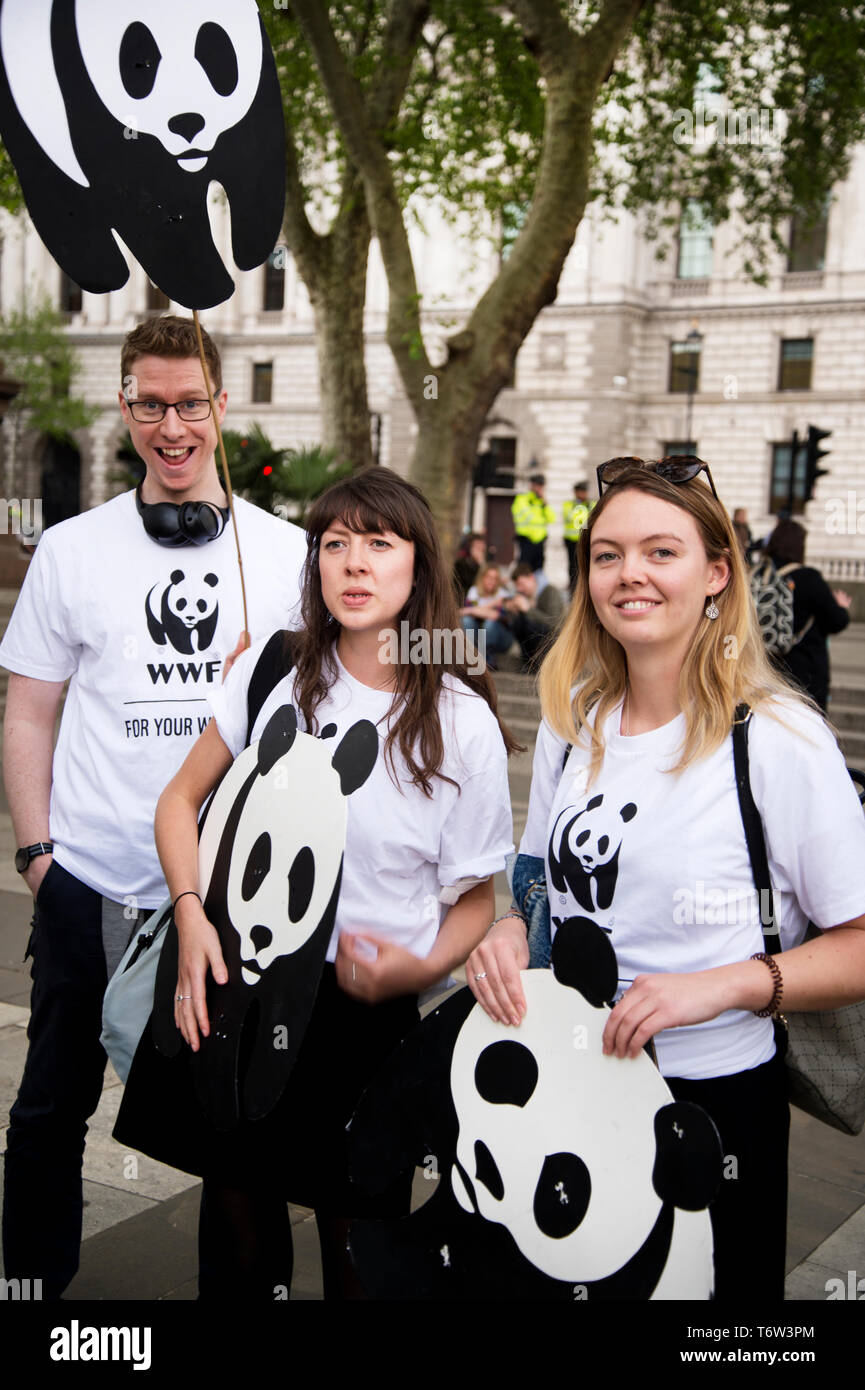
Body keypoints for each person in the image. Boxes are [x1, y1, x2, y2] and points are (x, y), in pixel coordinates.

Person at [467, 456, 865, 1301]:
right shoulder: (572, 720)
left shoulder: (781, 740)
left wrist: (717, 987)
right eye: (606, 555)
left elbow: (859, 946)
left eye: (659, 551)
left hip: (712, 1106)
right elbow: (538, 876)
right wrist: (507, 930)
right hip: (569, 1082)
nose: (628, 575)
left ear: (716, 573)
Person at [119, 466, 516, 1300]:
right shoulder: (274, 668)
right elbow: (179, 801)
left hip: (361, 1017)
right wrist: (191, 919)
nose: (353, 562)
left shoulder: (458, 719)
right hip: (241, 985)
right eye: (334, 543)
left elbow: (477, 897)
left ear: (418, 566)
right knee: (239, 1245)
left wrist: (414, 970)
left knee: (359, 1253)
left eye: (379, 542)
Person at [0, 314, 307, 1300]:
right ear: (124, 406)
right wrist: (40, 853)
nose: (171, 428)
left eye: (189, 404)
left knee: (238, 1124)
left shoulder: (290, 558)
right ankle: (33, 1290)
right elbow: (30, 709)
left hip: (228, 897)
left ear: (222, 406)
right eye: (150, 405)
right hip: (88, 879)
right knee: (50, 1108)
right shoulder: (71, 550)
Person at [764, 518, 852, 711]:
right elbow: (836, 621)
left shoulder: (760, 576)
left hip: (765, 668)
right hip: (805, 672)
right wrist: (842, 607)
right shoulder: (808, 578)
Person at [501, 562, 565, 669]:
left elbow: (555, 624)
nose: (520, 589)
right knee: (518, 622)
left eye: (521, 584)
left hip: (554, 643)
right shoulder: (524, 595)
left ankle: (538, 664)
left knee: (529, 623)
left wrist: (528, 610)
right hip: (535, 647)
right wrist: (511, 610)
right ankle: (528, 663)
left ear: (531, 577)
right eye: (517, 586)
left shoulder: (550, 591)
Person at [460, 562, 515, 668]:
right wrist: (493, 604)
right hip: (478, 637)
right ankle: (470, 656)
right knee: (467, 620)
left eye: (495, 578)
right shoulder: (474, 592)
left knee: (490, 622)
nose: (492, 581)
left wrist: (471, 610)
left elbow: (495, 616)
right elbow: (464, 613)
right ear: (482, 578)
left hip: (502, 638)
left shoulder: (502, 594)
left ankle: (486, 658)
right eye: (489, 577)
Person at [511, 473, 556, 572]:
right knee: (524, 568)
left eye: (541, 485)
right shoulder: (522, 499)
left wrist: (545, 504)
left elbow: (552, 518)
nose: (539, 488)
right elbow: (526, 517)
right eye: (538, 485)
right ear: (532, 485)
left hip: (540, 541)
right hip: (527, 539)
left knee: (538, 569)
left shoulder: (542, 502)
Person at [563, 481, 593, 593]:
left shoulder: (591, 504)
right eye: (581, 492)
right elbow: (576, 519)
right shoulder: (569, 505)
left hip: (585, 540)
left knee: (585, 565)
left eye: (585, 491)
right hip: (571, 541)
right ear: (576, 493)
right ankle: (573, 589)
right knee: (573, 566)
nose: (584, 494)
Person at [452, 531, 487, 606]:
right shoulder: (461, 563)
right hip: (464, 601)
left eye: (481, 548)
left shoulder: (483, 563)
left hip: (481, 601)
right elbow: (470, 582)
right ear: (470, 548)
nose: (479, 550)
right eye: (477, 547)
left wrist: (481, 564)